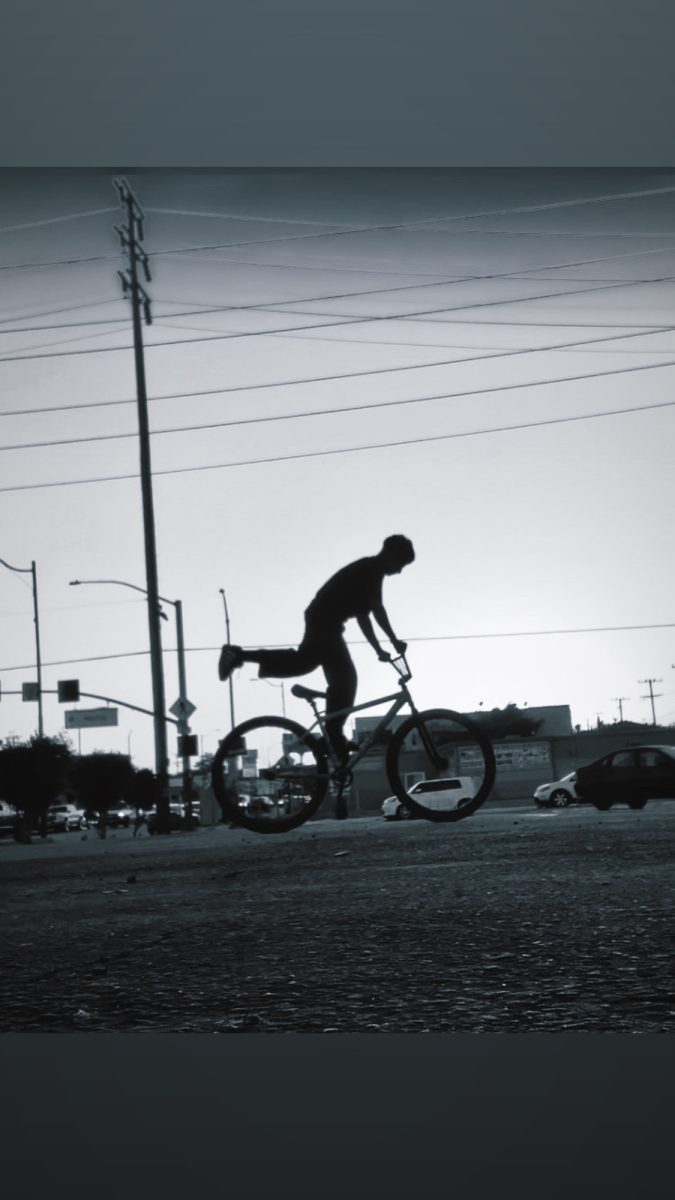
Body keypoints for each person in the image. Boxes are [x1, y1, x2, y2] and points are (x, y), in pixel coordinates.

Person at [218, 535, 415, 760]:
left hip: (325, 621)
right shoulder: (369, 571)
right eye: (400, 564)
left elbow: (365, 615)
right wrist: (393, 640)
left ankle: (332, 734)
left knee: (318, 668)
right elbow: (376, 610)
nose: (399, 571)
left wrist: (379, 648)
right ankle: (333, 734)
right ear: (390, 555)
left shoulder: (370, 571)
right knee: (341, 677)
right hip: (325, 621)